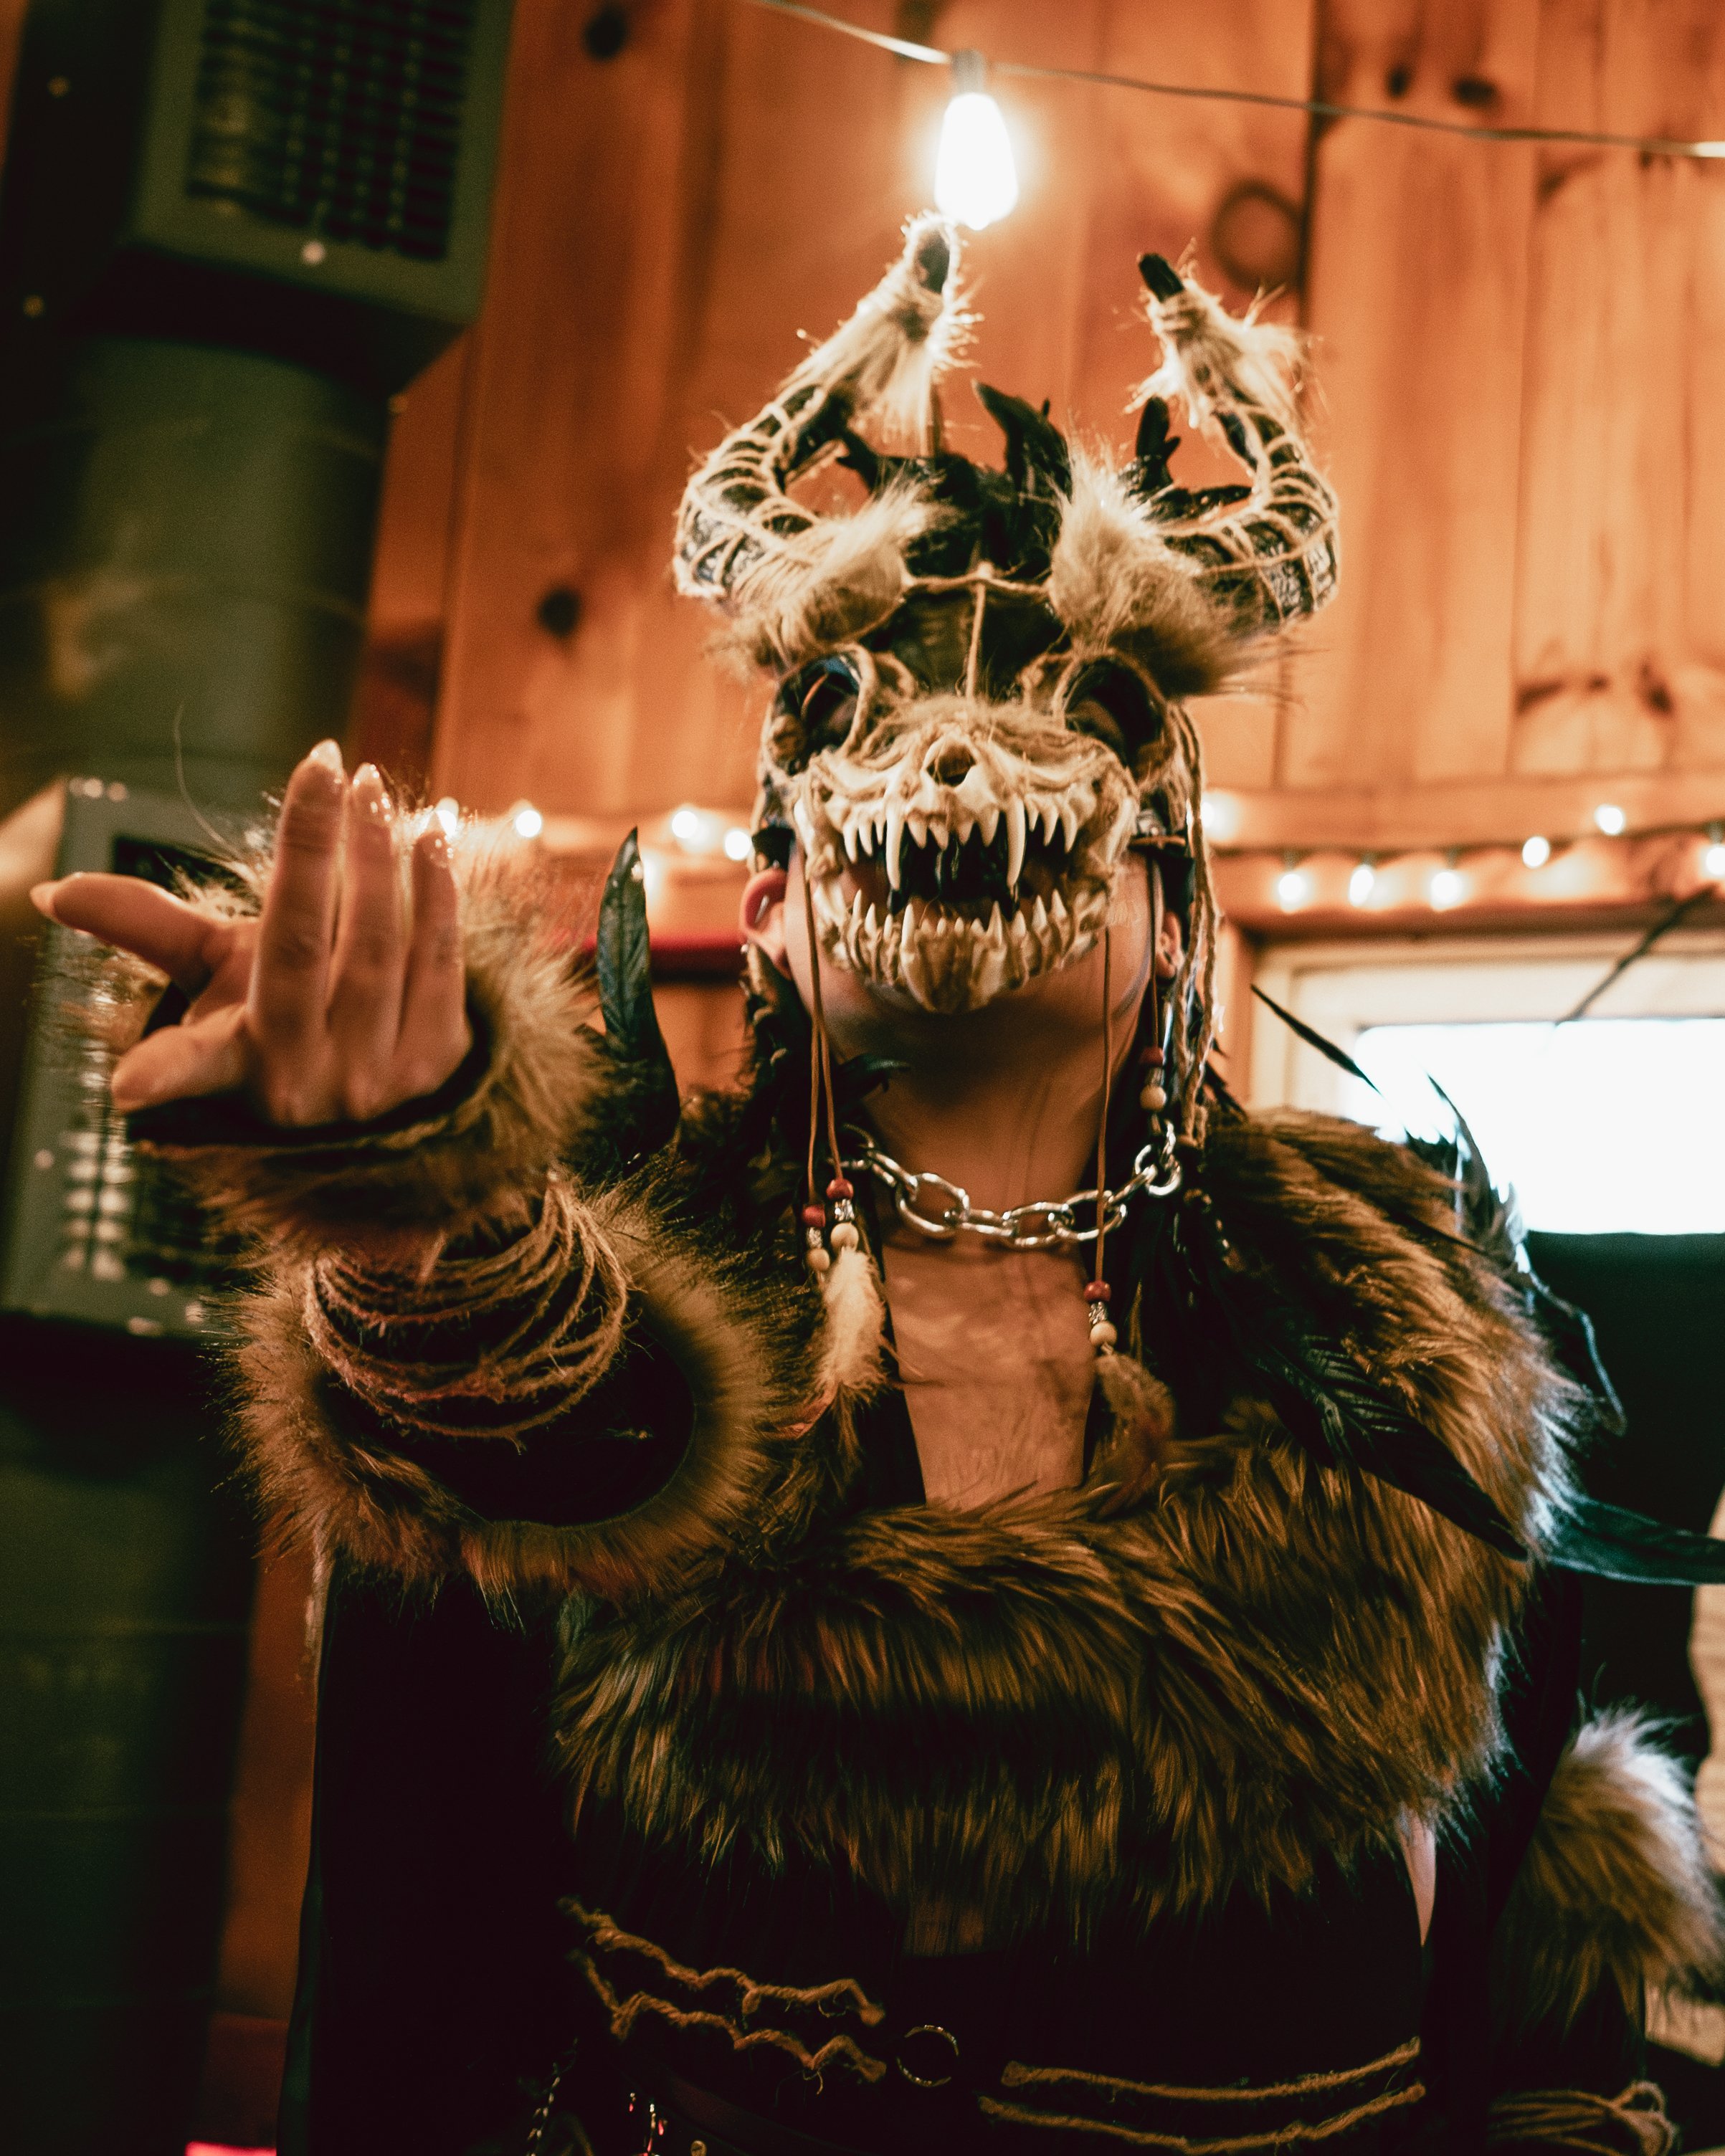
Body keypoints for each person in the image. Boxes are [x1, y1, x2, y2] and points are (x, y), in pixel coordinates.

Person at [35, 223, 1721, 2155]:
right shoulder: (638, 1276)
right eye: (859, 711)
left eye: (1082, 715)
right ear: (771, 907)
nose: (962, 757)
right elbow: (565, 1424)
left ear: (1177, 917)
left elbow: (1535, 1963)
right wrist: (426, 1196)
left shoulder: (1402, 1327)